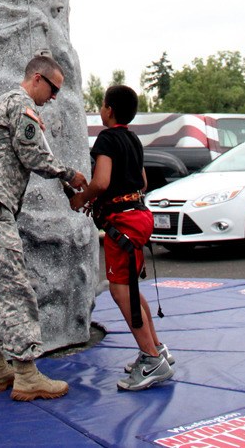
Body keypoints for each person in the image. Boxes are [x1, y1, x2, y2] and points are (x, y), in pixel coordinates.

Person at [0, 54, 88, 401]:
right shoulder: (21, 104)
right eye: (54, 88)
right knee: (13, 287)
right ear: (38, 79)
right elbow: (33, 156)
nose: (55, 97)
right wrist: (68, 174)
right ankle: (27, 374)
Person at [70, 84, 175, 391]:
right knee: (129, 287)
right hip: (140, 216)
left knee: (119, 291)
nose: (100, 110)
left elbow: (101, 182)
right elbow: (141, 180)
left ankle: (150, 357)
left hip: (123, 223)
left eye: (101, 105)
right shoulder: (132, 139)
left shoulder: (107, 138)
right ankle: (157, 348)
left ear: (109, 110)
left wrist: (82, 199)